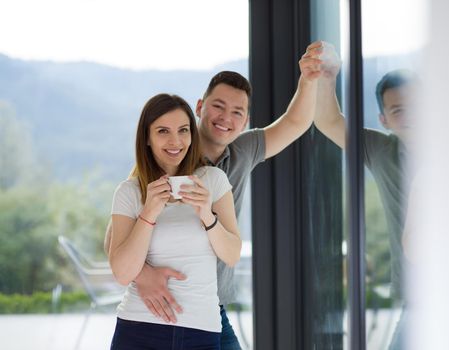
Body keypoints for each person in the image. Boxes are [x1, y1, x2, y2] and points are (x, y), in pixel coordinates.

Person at [106, 40, 325, 349]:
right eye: (218, 106)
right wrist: (143, 275)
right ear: (200, 107)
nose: (226, 118)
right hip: (159, 309)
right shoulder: (160, 162)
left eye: (237, 112)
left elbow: (296, 121)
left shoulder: (241, 153)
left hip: (209, 309)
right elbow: (114, 241)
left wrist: (308, 79)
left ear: (245, 121)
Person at [109, 93, 242, 349]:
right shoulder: (129, 192)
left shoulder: (213, 180)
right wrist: (148, 214)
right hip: (137, 329)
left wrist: (206, 213)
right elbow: (122, 273)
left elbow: (232, 255)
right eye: (162, 131)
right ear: (146, 138)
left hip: (201, 332)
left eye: (183, 130)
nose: (175, 141)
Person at [313, 44, 418, 350]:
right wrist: (329, 75)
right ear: (384, 119)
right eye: (398, 110)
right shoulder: (382, 150)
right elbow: (329, 121)